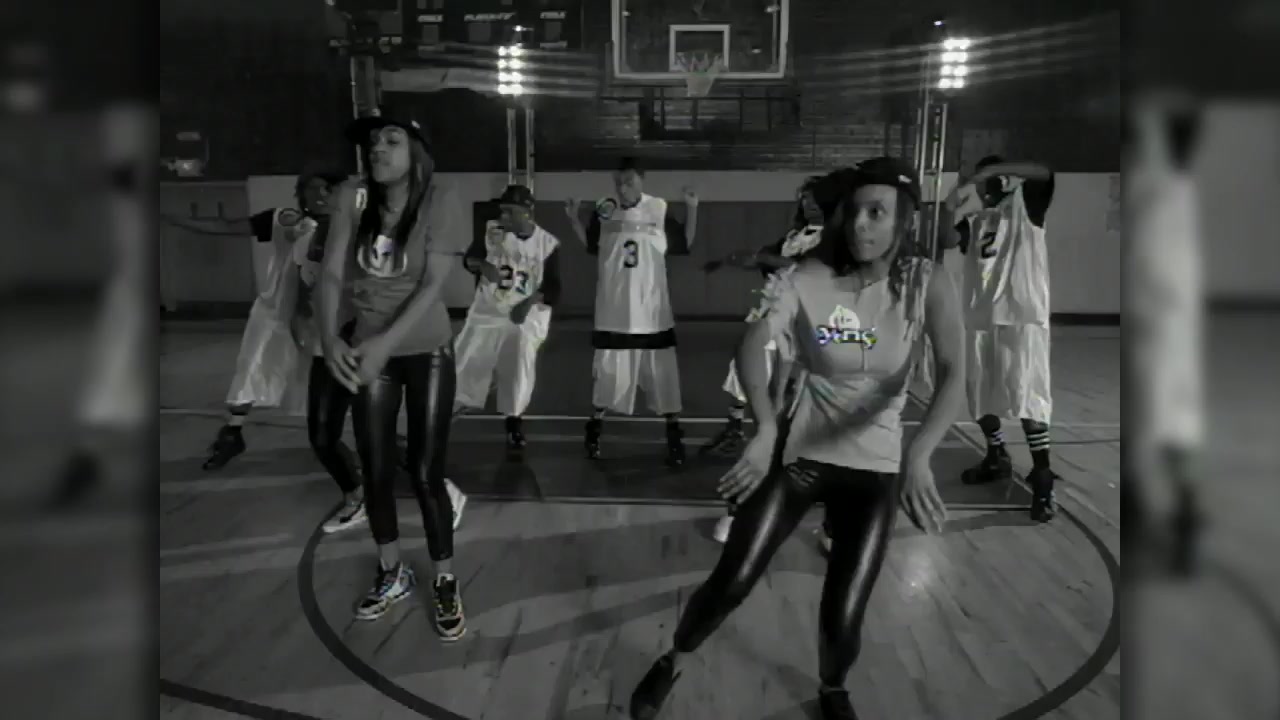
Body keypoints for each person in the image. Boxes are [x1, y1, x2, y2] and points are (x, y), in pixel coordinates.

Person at [629, 159, 963, 720]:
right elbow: (751, 344)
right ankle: (674, 659)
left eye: (877, 213)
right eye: (854, 212)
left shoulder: (925, 282)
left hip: (875, 469)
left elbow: (955, 372)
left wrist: (921, 454)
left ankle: (832, 689)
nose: (861, 224)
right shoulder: (807, 277)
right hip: (801, 456)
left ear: (904, 221)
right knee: (733, 579)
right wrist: (764, 427)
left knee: (844, 615)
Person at [318, 114, 467, 638]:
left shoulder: (441, 198)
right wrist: (329, 338)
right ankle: (392, 571)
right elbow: (331, 271)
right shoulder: (352, 197)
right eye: (372, 142)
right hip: (368, 350)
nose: (377, 148)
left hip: (425, 347)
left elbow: (432, 286)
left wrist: (384, 344)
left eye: (391, 140)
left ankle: (444, 578)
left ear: (417, 151)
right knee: (377, 468)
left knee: (426, 471)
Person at [700, 175, 829, 544]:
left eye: (814, 199)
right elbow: (773, 262)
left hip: (807, 341)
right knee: (768, 422)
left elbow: (799, 267)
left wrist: (761, 257)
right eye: (804, 199)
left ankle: (829, 518)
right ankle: (741, 508)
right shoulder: (793, 236)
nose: (808, 205)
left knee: (806, 436)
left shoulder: (831, 244)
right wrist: (738, 259)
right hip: (775, 332)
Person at [203, 169, 345, 471]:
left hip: (321, 318)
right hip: (274, 313)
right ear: (301, 193)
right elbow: (226, 227)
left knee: (327, 381)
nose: (319, 195)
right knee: (251, 370)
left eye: (326, 189)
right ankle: (232, 433)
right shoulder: (284, 218)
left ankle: (360, 441)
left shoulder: (346, 228)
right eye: (312, 189)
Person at [943, 153, 1059, 522]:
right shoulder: (979, 220)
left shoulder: (1027, 205)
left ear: (1004, 179)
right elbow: (947, 239)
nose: (983, 186)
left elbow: (1044, 170)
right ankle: (997, 456)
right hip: (981, 320)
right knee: (980, 397)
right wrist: (950, 205)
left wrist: (991, 169)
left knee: (1027, 398)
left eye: (989, 179)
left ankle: (1043, 477)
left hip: (1021, 320)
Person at [563, 157, 698, 467]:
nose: (623, 188)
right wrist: (573, 220)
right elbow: (592, 246)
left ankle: (674, 437)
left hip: (652, 314)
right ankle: (594, 431)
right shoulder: (604, 209)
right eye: (619, 182)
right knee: (607, 378)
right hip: (614, 313)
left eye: (629, 182)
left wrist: (692, 208)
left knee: (664, 381)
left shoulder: (658, 208)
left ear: (641, 180)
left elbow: (683, 243)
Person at [1127, 93, 1204, 576]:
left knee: (1162, 426)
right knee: (1171, 426)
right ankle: (1171, 513)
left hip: (1158, 328)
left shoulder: (1159, 193)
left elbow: (1155, 272)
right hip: (1172, 330)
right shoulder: (1174, 189)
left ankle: (1181, 517)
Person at [453, 184, 563, 448]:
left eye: (510, 212)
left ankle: (514, 419)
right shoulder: (492, 231)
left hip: (524, 313)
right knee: (466, 358)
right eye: (502, 211)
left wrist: (529, 302)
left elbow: (554, 288)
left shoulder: (548, 244)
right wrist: (482, 265)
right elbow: (469, 259)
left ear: (528, 212)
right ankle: (456, 404)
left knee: (519, 361)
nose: (504, 217)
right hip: (489, 309)